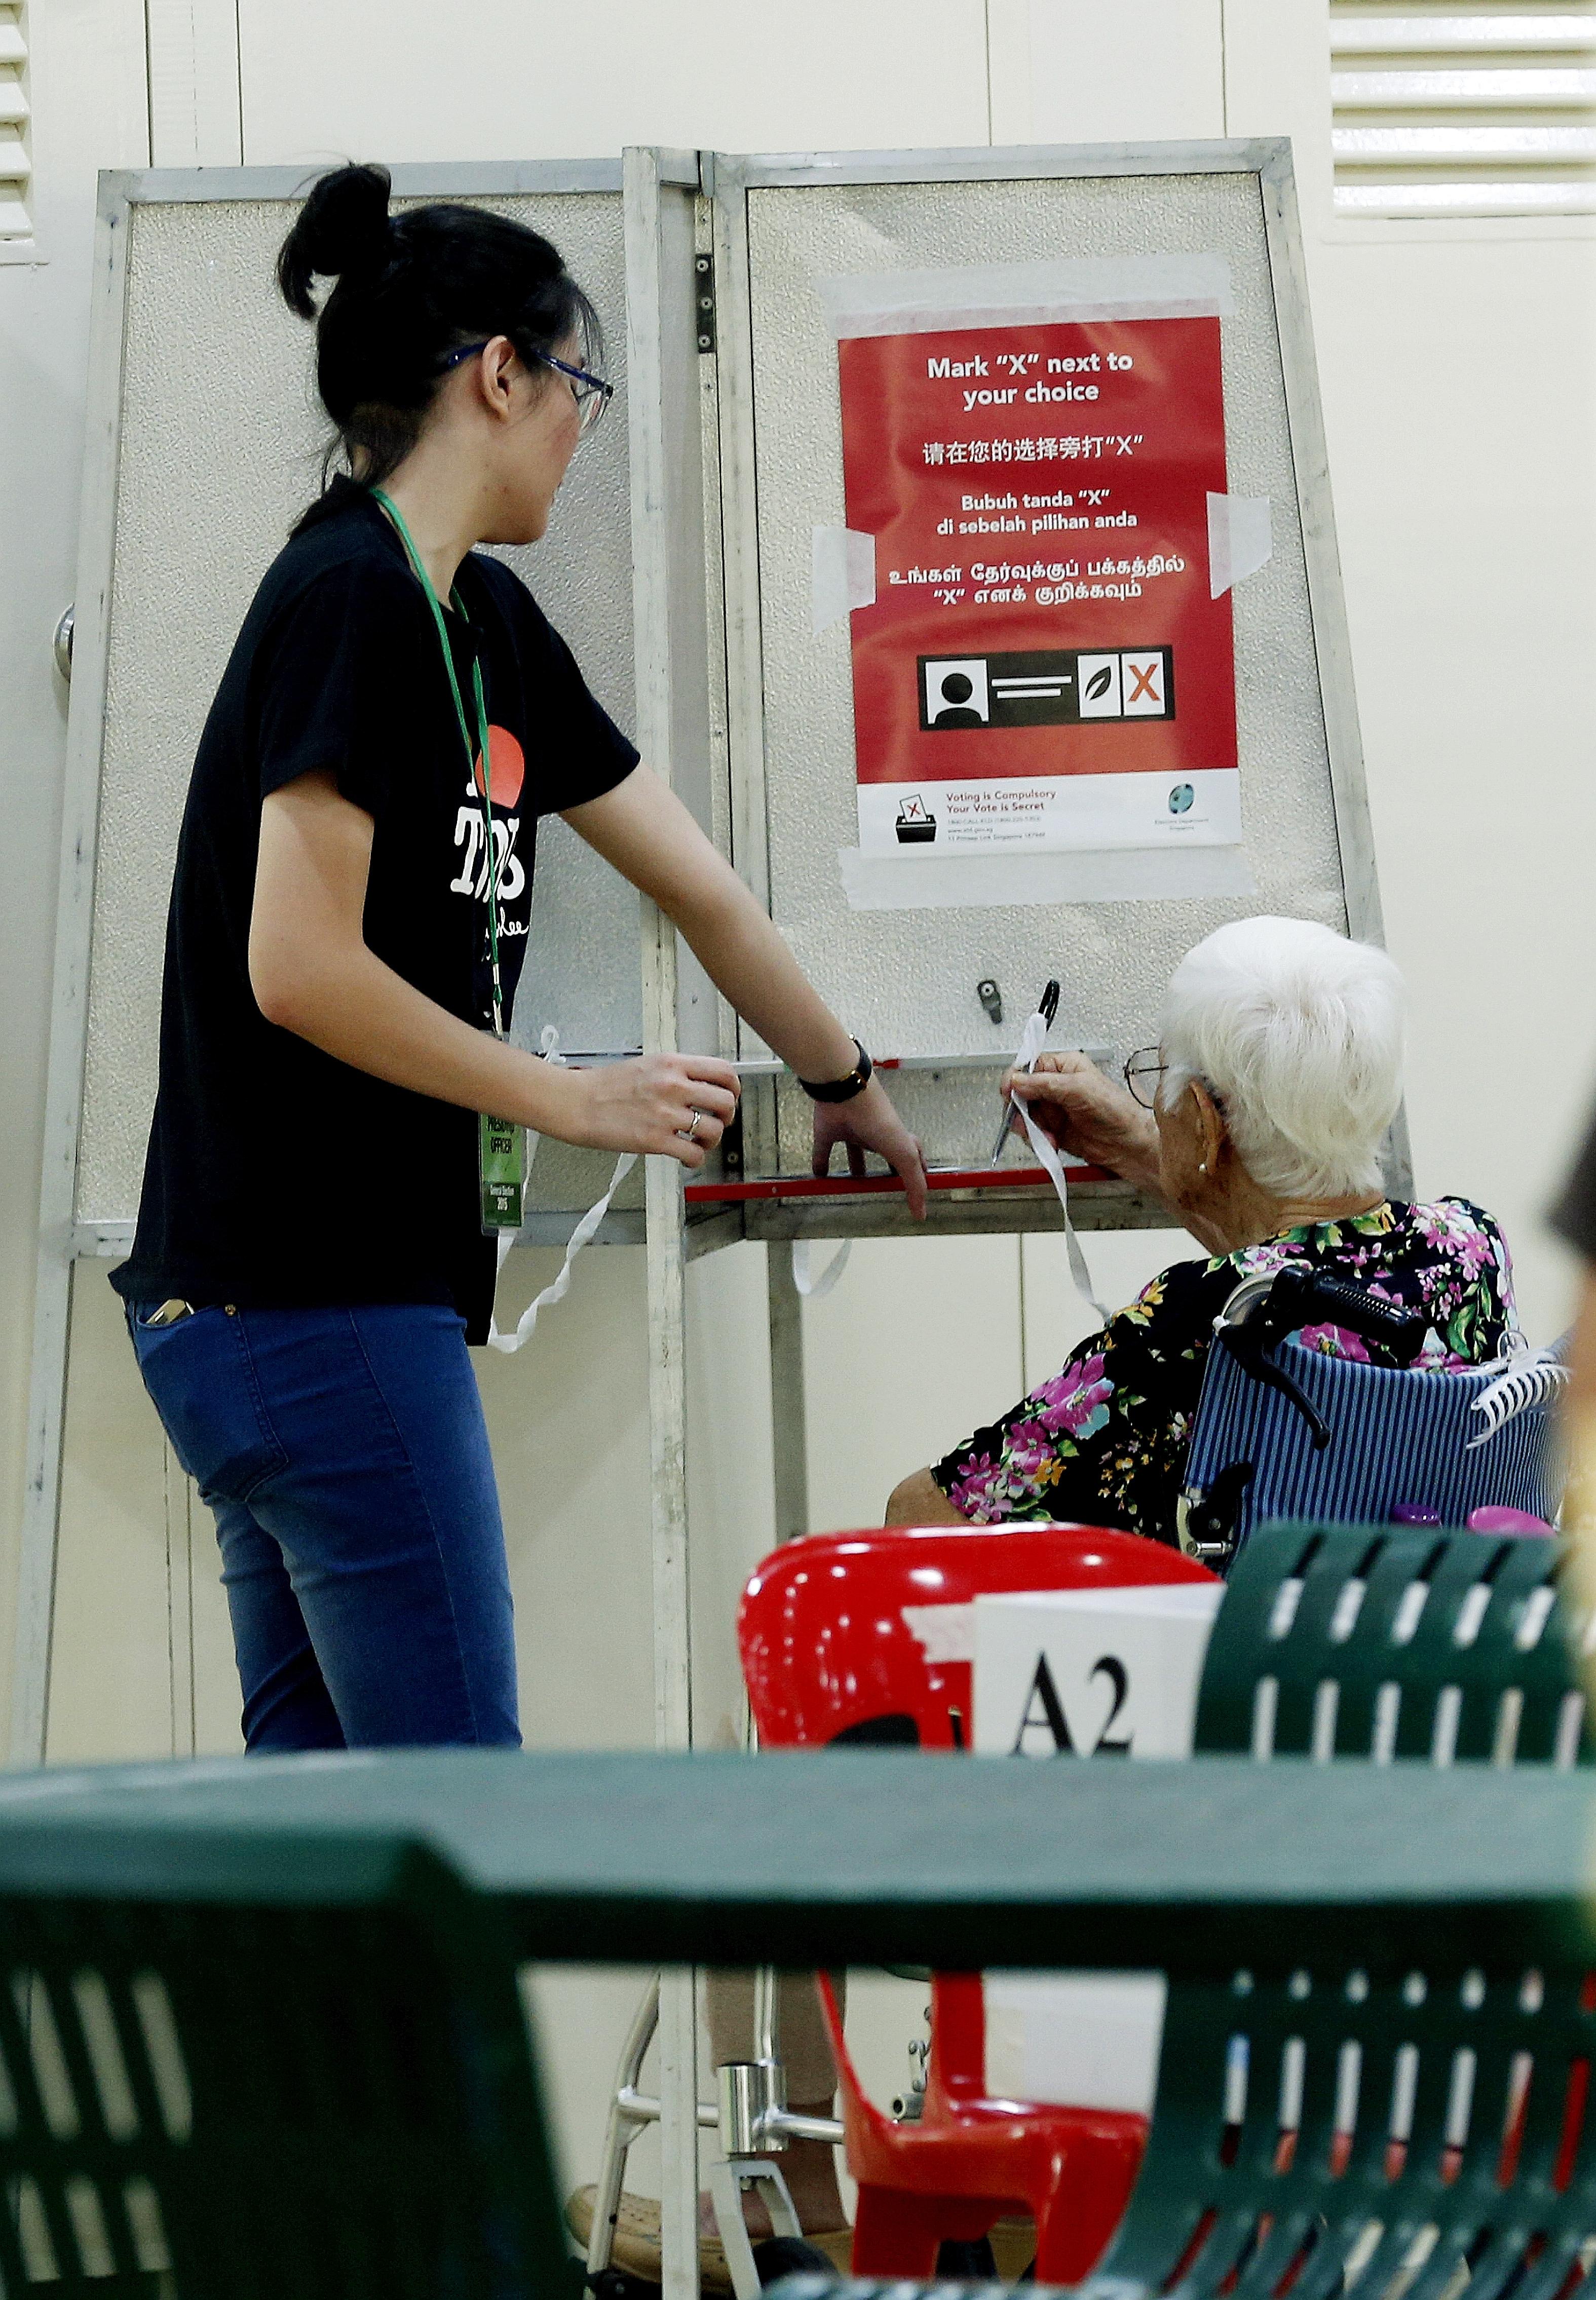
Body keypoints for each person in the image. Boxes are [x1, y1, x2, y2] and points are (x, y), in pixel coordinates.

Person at [113, 162, 926, 1756]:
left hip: (286, 1313)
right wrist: (575, 1098)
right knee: (465, 1816)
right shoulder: (346, 594)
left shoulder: (481, 616)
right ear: (501, 371)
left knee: (340, 1844)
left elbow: (705, 892)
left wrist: (841, 1078)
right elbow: (299, 966)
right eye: (579, 383)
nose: (580, 422)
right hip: (310, 1295)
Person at [889, 916, 1520, 1537]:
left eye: (1158, 1076)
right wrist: (1147, 1148)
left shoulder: (1189, 1324)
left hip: (1241, 1639)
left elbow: (924, 1521)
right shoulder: (1470, 1247)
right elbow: (1295, 1263)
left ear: (1204, 1120)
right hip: (1423, 1627)